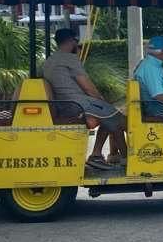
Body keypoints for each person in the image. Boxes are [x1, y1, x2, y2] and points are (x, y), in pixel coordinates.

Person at [42, 28, 126, 170]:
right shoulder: (69, 59)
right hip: (77, 105)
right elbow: (88, 88)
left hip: (64, 104)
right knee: (117, 117)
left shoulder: (49, 61)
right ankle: (126, 157)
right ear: (71, 41)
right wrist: (102, 101)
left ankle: (97, 155)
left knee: (107, 115)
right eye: (76, 41)